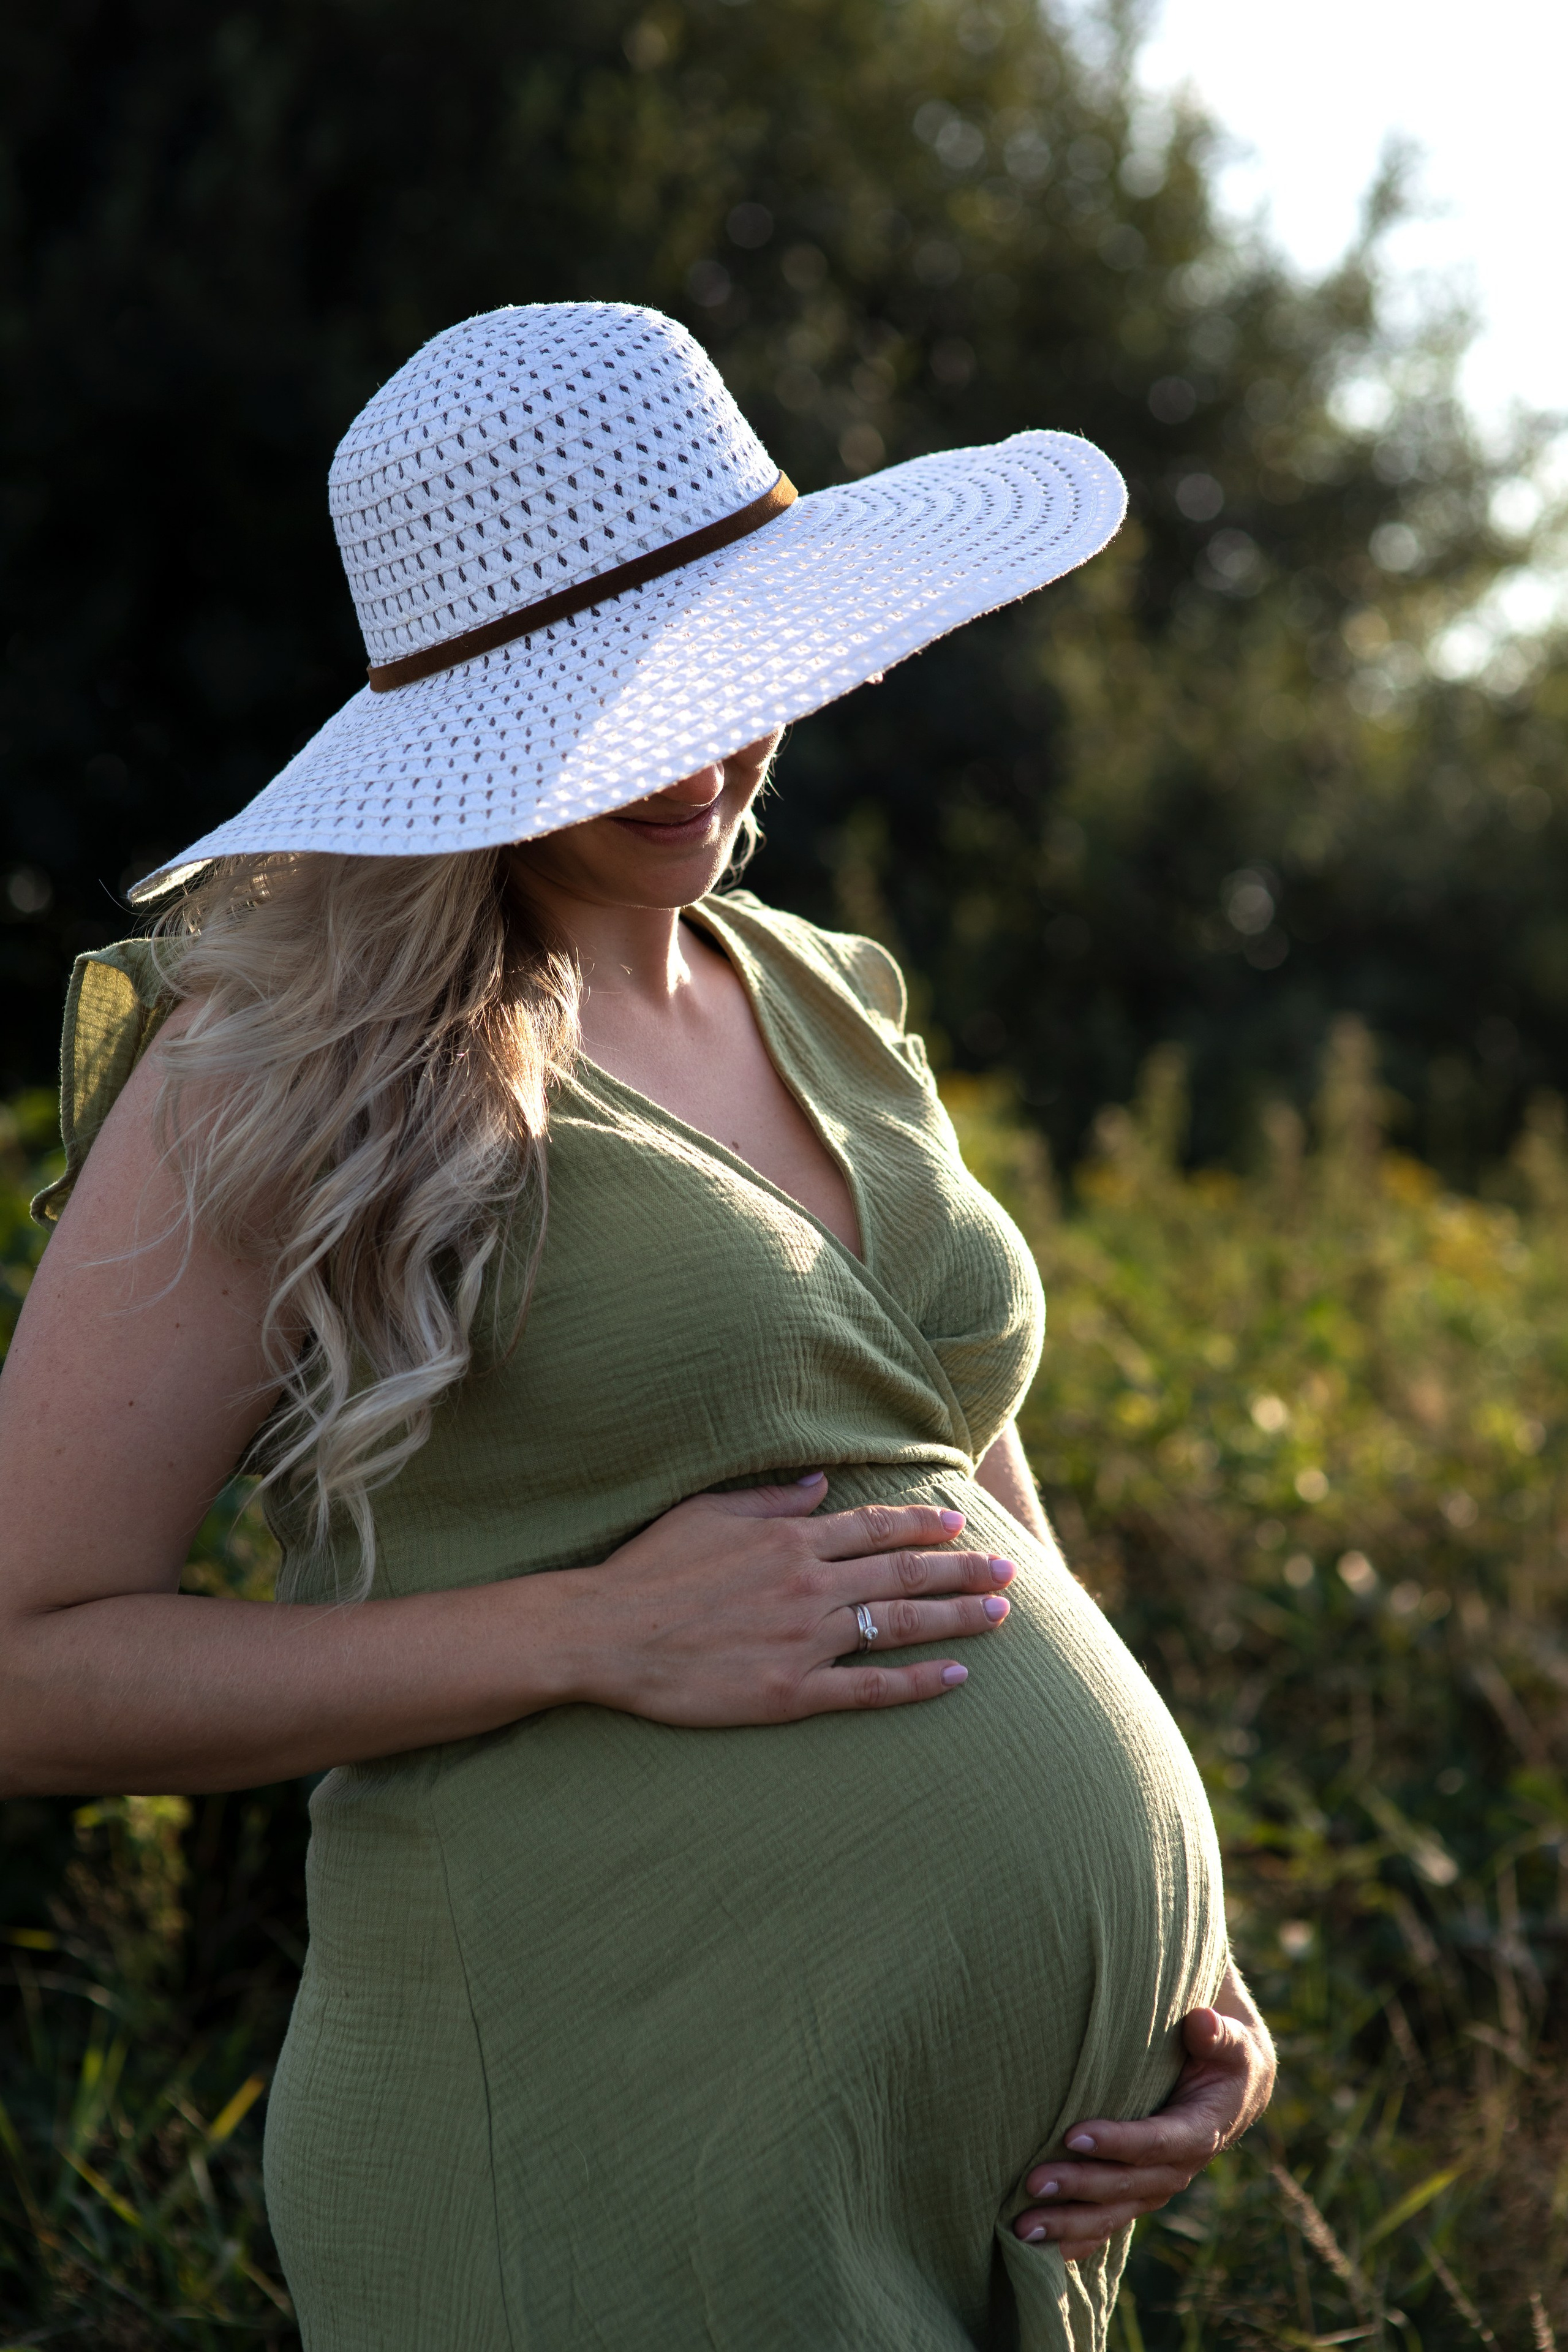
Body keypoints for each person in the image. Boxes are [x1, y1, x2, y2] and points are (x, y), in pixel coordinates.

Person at [0, 303, 1273, 2350]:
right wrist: (587, 1635)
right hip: (606, 2149)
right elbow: (25, 1671)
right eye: (607, 712)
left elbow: (960, 1485)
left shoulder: (823, 987)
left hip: (988, 2201)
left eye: (717, 676)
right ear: (464, 725)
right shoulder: (284, 1058)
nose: (696, 761)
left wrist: (1191, 1979)